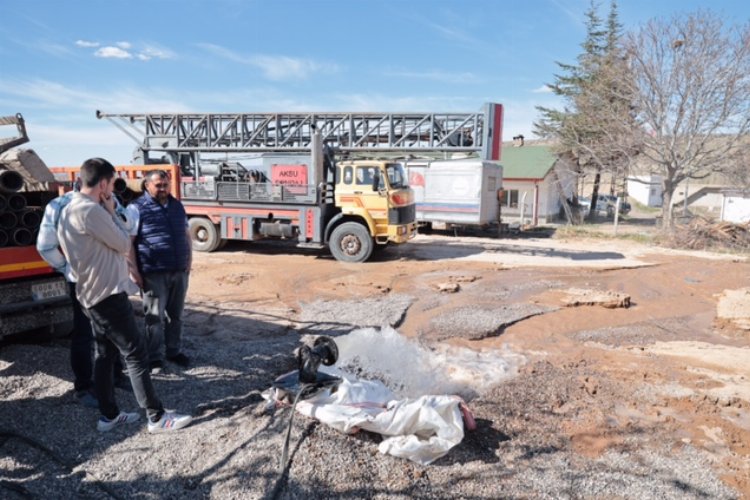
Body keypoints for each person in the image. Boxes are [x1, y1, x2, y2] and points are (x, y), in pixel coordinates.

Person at [57, 158, 192, 432]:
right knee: (136, 353)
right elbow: (122, 242)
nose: (111, 192)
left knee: (105, 354)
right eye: (111, 185)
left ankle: (109, 415)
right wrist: (110, 211)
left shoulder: (68, 208)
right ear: (104, 183)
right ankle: (156, 417)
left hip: (89, 292)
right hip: (107, 295)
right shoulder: (91, 211)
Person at [36, 181, 133, 408]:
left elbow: (128, 229)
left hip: (110, 279)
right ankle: (84, 387)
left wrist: (114, 209)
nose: (108, 192)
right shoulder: (59, 205)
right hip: (86, 280)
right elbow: (44, 246)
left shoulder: (109, 201)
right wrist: (67, 268)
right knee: (86, 334)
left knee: (110, 331)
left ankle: (114, 377)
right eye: (105, 186)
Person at [126, 170, 192, 373]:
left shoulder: (177, 206)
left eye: (166, 184)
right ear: (147, 185)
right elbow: (129, 242)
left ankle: (173, 351)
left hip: (179, 270)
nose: (163, 189)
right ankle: (154, 357)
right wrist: (133, 270)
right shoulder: (136, 208)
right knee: (154, 318)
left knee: (176, 315)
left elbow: (186, 234)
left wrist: (189, 260)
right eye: (158, 185)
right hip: (153, 273)